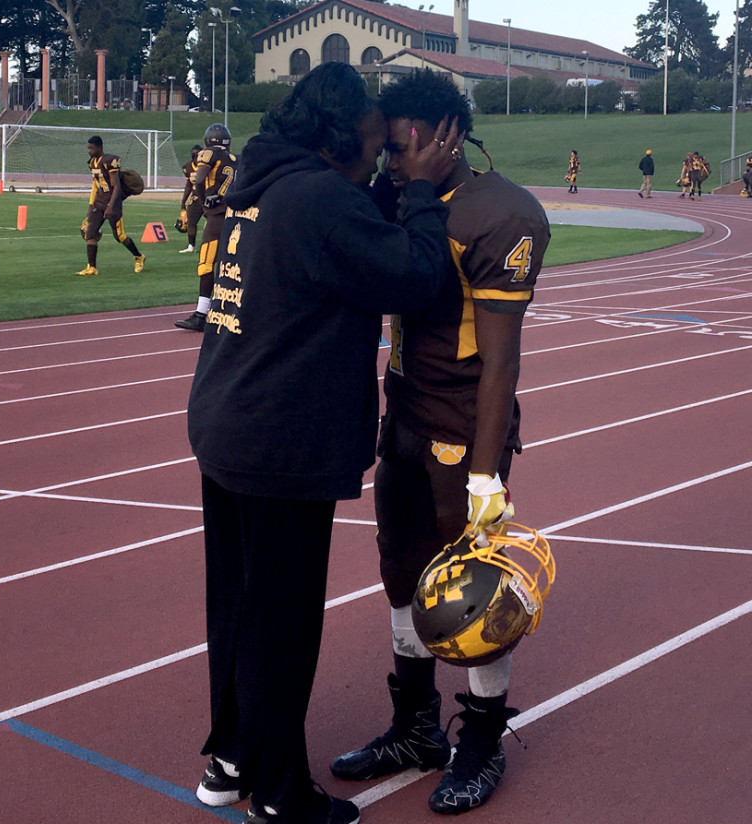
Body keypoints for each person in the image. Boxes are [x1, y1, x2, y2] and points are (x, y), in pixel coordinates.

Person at [187, 62, 462, 824]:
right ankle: (279, 796)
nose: (381, 157)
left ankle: (236, 754)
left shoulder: (268, 180)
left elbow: (341, 238)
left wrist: (382, 193)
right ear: (340, 138)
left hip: (230, 421)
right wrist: (418, 192)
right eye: (375, 144)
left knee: (239, 607)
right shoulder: (319, 198)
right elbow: (411, 275)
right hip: (283, 437)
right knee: (282, 621)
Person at [329, 68, 550, 815]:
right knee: (400, 569)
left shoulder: (502, 213)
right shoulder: (397, 197)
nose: (390, 162)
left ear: (440, 135)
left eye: (397, 147)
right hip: (407, 413)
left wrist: (487, 472)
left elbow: (501, 360)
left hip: (463, 424)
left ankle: (483, 739)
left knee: (472, 588)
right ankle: (415, 726)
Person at [175, 124, 238, 332]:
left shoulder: (209, 154)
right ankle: (227, 311)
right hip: (234, 216)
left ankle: (201, 314)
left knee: (206, 264)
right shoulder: (235, 159)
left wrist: (203, 201)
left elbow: (199, 179)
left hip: (217, 216)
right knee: (229, 265)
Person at [75, 135, 145, 276]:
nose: (89, 151)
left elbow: (117, 186)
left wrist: (111, 206)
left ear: (100, 147)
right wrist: (90, 206)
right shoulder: (92, 163)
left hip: (112, 202)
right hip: (99, 201)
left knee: (119, 236)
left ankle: (138, 256)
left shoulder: (110, 161)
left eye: (92, 148)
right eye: (88, 148)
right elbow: (95, 185)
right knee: (90, 233)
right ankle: (92, 267)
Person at [176, 144, 204, 253]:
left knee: (215, 220)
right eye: (194, 155)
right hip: (196, 197)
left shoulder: (208, 165)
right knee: (191, 221)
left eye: (198, 155)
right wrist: (184, 200)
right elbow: (189, 183)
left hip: (208, 197)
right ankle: (191, 246)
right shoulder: (187, 166)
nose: (196, 157)